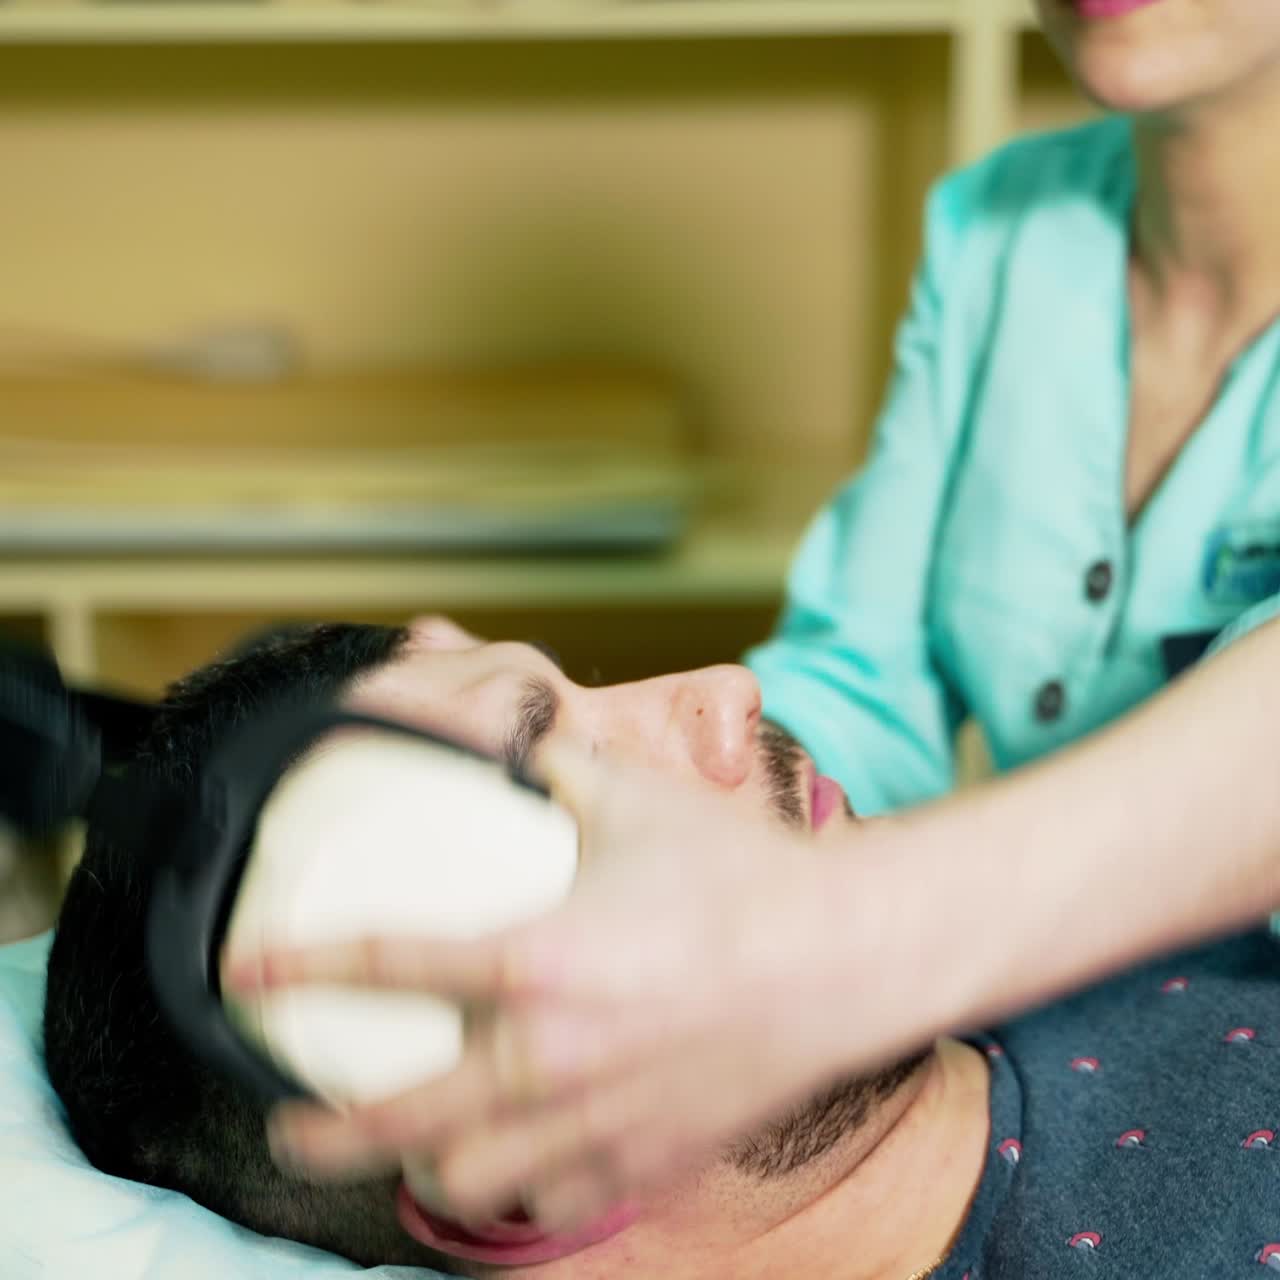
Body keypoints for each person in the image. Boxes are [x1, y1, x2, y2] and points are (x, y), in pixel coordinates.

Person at [229, 0, 1280, 1254]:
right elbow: (855, 680)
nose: (724, 688)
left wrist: (848, 932)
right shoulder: (1000, 230)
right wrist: (715, 834)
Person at [42, 619, 1280, 1277]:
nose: (725, 691)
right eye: (562, 778)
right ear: (515, 1189)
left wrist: (891, 924)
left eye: (587, 690)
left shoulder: (1065, 903)